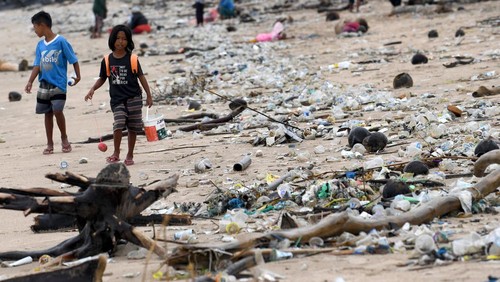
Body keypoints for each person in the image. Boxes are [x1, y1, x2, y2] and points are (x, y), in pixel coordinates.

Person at [85, 25, 153, 166]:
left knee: (133, 128)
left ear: (128, 41)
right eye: (118, 38)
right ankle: (116, 152)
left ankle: (130, 154)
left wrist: (149, 94)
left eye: (124, 39)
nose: (120, 42)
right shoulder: (107, 60)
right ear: (112, 40)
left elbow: (141, 77)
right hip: (117, 100)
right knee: (118, 124)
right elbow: (102, 78)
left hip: (134, 97)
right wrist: (93, 89)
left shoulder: (133, 59)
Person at [25, 11, 81, 155]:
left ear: (42, 25)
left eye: (35, 27)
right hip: (44, 84)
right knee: (47, 113)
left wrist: (78, 76)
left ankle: (64, 138)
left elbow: (73, 59)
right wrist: (30, 81)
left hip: (59, 83)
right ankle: (49, 143)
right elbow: (37, 65)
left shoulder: (61, 41)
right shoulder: (40, 45)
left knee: (57, 110)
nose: (35, 31)